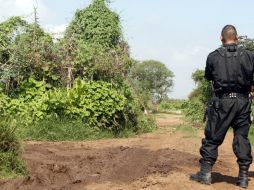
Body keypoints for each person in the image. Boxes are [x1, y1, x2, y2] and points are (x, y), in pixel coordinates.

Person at [190, 25, 254, 188]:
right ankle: (243, 177)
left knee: (212, 138)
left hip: (222, 102)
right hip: (242, 102)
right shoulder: (249, 56)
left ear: (221, 38)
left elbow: (208, 76)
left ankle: (205, 174)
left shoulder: (213, 57)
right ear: (237, 37)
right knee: (242, 138)